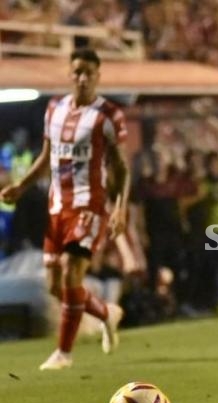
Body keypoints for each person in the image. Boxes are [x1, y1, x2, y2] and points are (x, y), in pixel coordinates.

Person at [0, 48, 130, 370]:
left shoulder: (108, 116)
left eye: (89, 72)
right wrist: (22, 186)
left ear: (98, 76)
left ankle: (63, 353)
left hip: (90, 206)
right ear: (69, 74)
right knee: (57, 287)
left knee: (73, 272)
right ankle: (105, 313)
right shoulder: (54, 109)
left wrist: (120, 208)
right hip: (57, 208)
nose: (82, 78)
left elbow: (121, 168)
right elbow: (45, 158)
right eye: (77, 72)